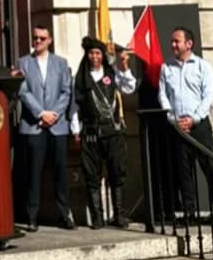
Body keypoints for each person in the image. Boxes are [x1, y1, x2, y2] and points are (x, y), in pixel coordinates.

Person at [158, 26, 213, 229]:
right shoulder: (167, 68)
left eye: (177, 41)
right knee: (184, 172)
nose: (173, 44)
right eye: (172, 41)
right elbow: (163, 95)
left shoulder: (202, 66)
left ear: (188, 44)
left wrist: (194, 118)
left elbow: (208, 96)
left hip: (199, 127)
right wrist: (173, 118)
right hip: (178, 127)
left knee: (210, 169)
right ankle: (189, 212)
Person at [72, 38, 137, 229]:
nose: (95, 57)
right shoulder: (81, 78)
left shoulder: (112, 73)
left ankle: (119, 215)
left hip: (113, 132)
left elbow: (129, 87)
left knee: (117, 173)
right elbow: (74, 107)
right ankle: (97, 218)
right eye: (91, 53)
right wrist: (75, 131)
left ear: (102, 56)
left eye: (98, 53)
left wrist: (124, 68)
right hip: (91, 134)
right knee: (92, 176)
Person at [17, 26, 74, 231]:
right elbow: (23, 92)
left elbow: (66, 92)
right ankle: (32, 216)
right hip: (34, 125)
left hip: (57, 126)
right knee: (34, 173)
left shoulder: (61, 63)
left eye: (42, 38)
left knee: (60, 172)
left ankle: (64, 214)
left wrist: (53, 115)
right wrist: (41, 113)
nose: (38, 41)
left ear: (50, 40)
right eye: (35, 38)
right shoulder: (23, 62)